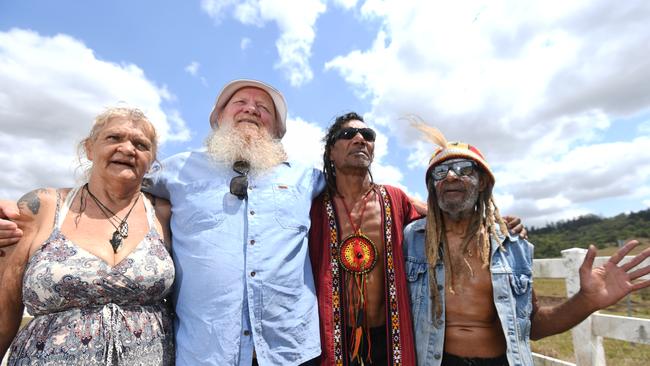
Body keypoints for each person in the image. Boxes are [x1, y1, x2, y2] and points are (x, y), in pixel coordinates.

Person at [403, 125, 650, 366]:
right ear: (432, 188)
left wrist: (586, 300)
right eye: (439, 172)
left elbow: (534, 325)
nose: (450, 176)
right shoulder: (413, 239)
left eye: (464, 168)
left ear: (482, 182)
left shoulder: (512, 244)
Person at [309, 113, 526, 366]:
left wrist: (496, 222)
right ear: (331, 152)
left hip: (390, 338)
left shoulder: (394, 199)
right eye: (348, 135)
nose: (360, 139)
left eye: (368, 136)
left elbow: (446, 212)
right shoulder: (312, 207)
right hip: (333, 338)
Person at [0, 107, 175, 365]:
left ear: (152, 162)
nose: (128, 149)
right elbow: (4, 307)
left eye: (141, 144)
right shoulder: (43, 207)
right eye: (114, 138)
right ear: (89, 149)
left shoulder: (165, 215)